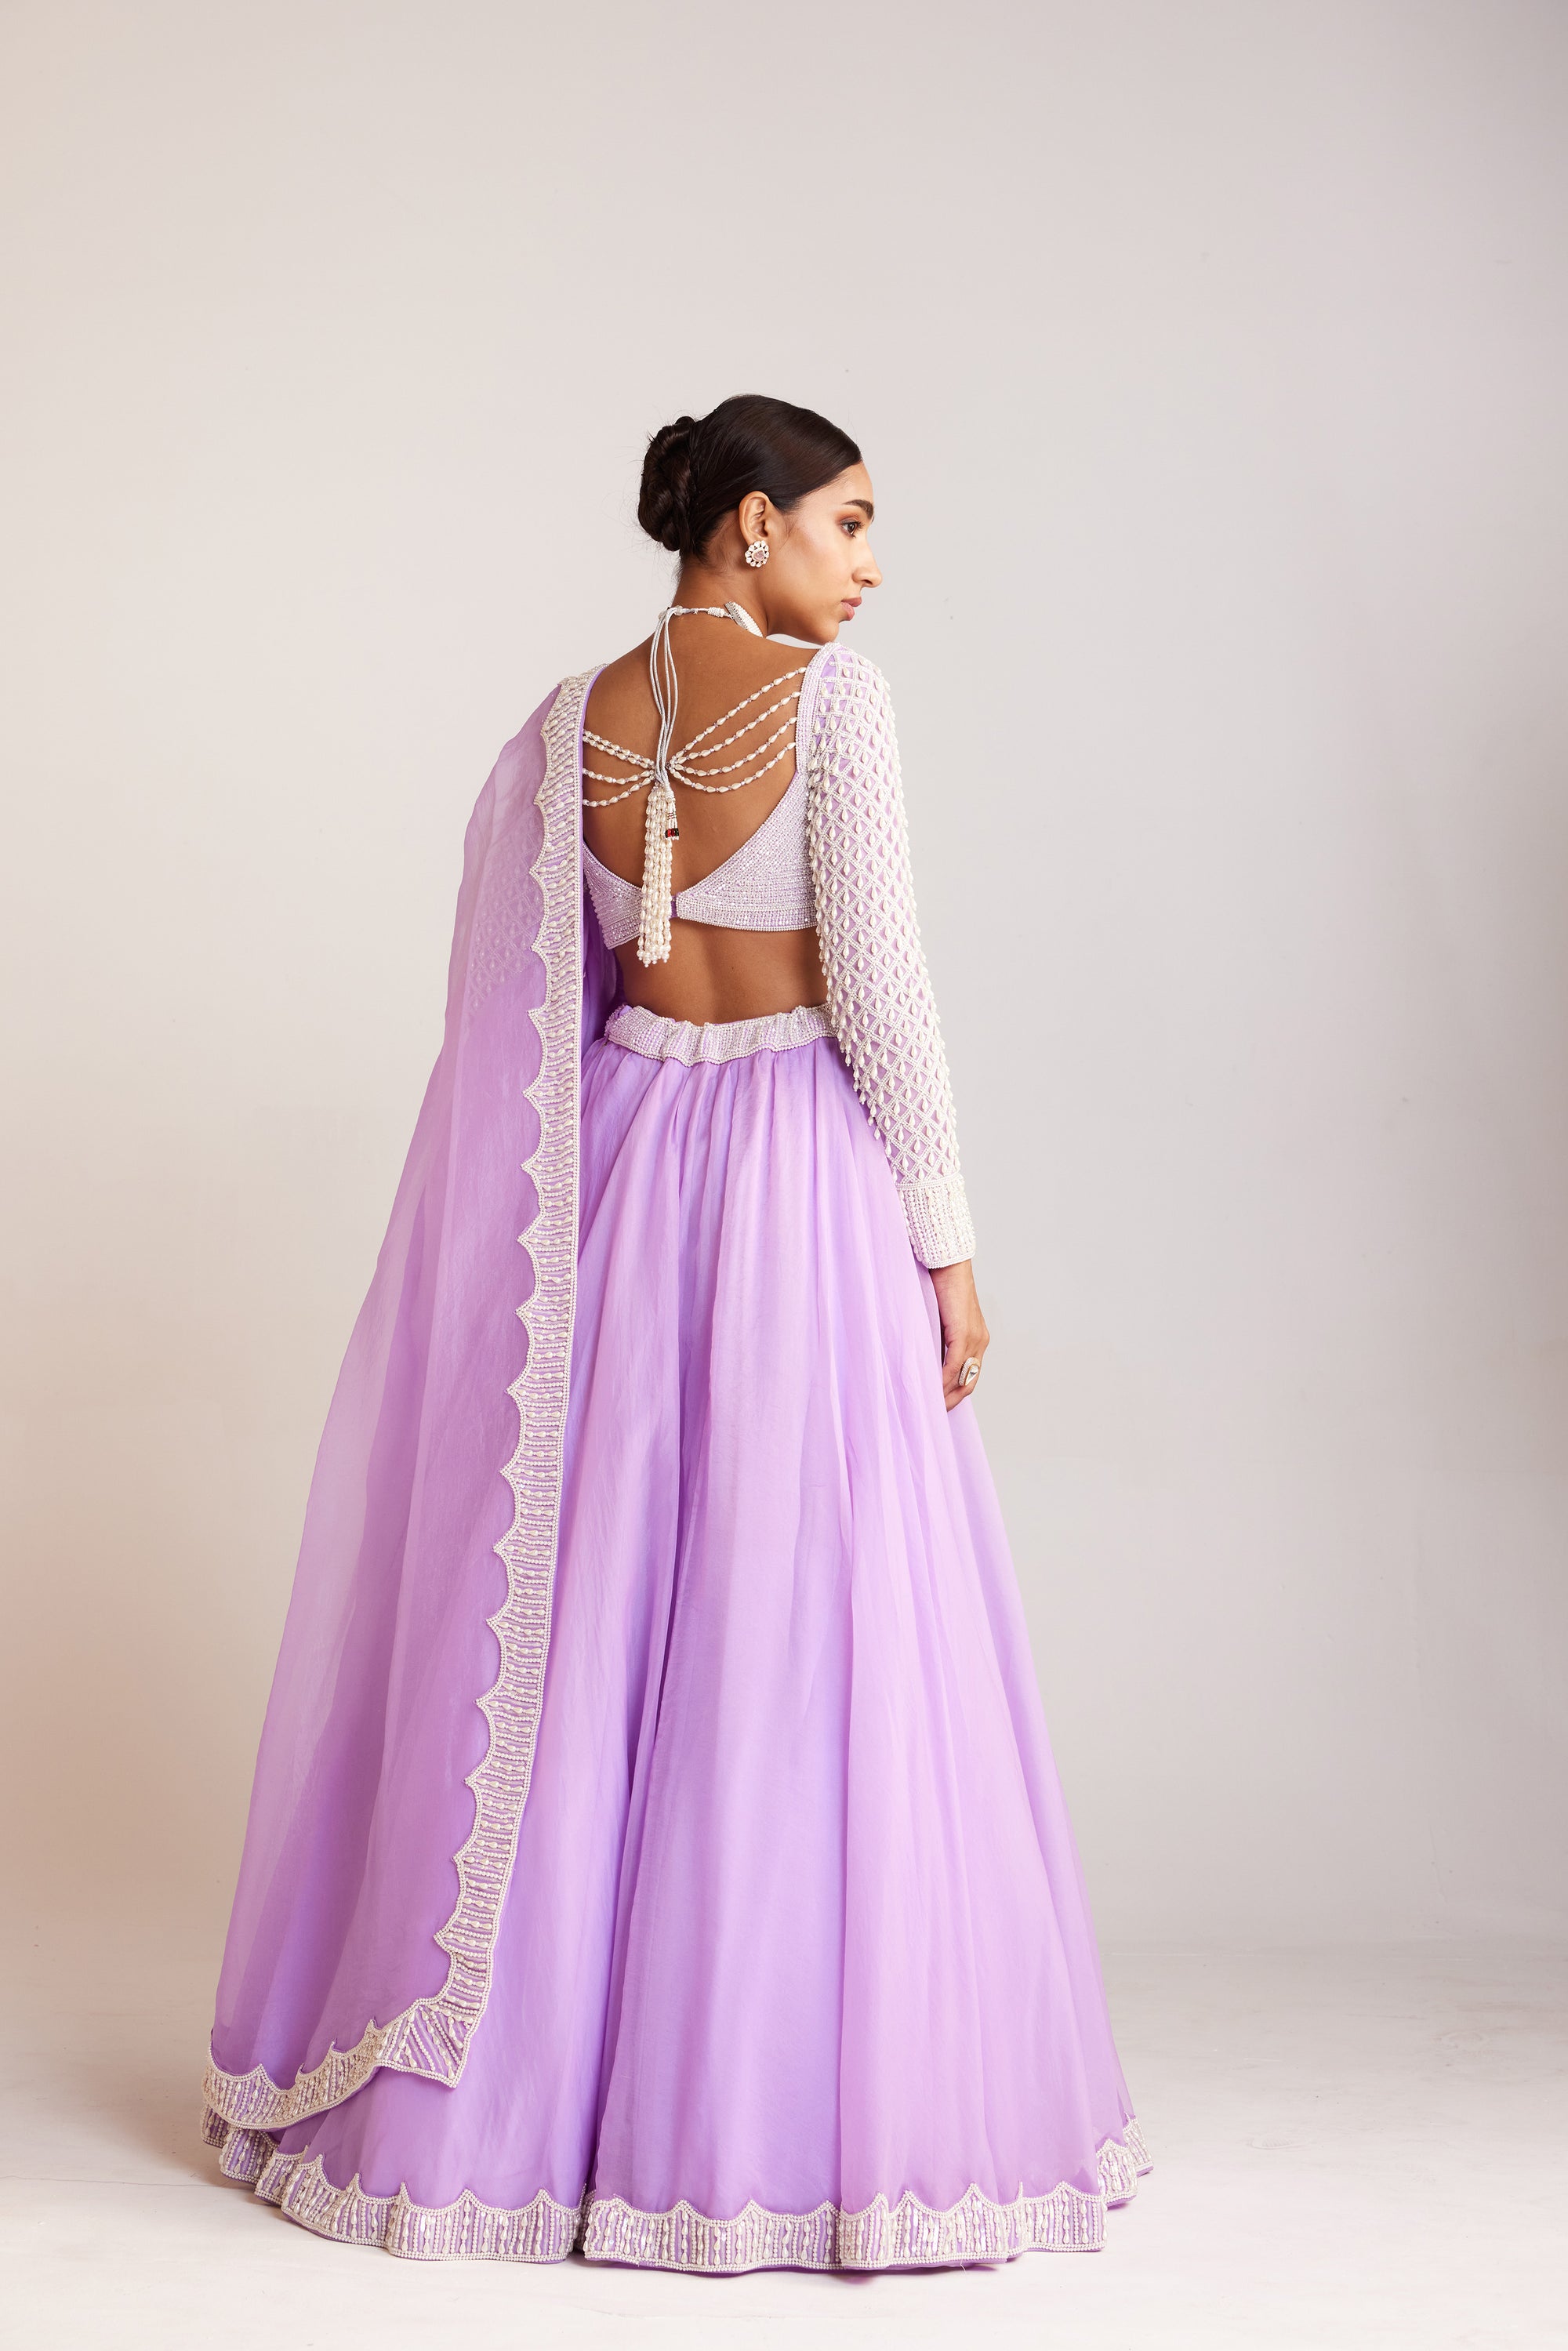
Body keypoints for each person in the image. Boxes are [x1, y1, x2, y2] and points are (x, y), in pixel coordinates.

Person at [201, 394, 1149, 2273]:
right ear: (748, 524)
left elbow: (533, 1018)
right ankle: (769, 2119)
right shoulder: (833, 708)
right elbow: (883, 990)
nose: (868, 566)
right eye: (848, 523)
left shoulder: (567, 724)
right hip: (794, 1171)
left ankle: (542, 2113)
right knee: (799, 1608)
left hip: (625, 1175)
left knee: (599, 1606)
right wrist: (947, 1242)